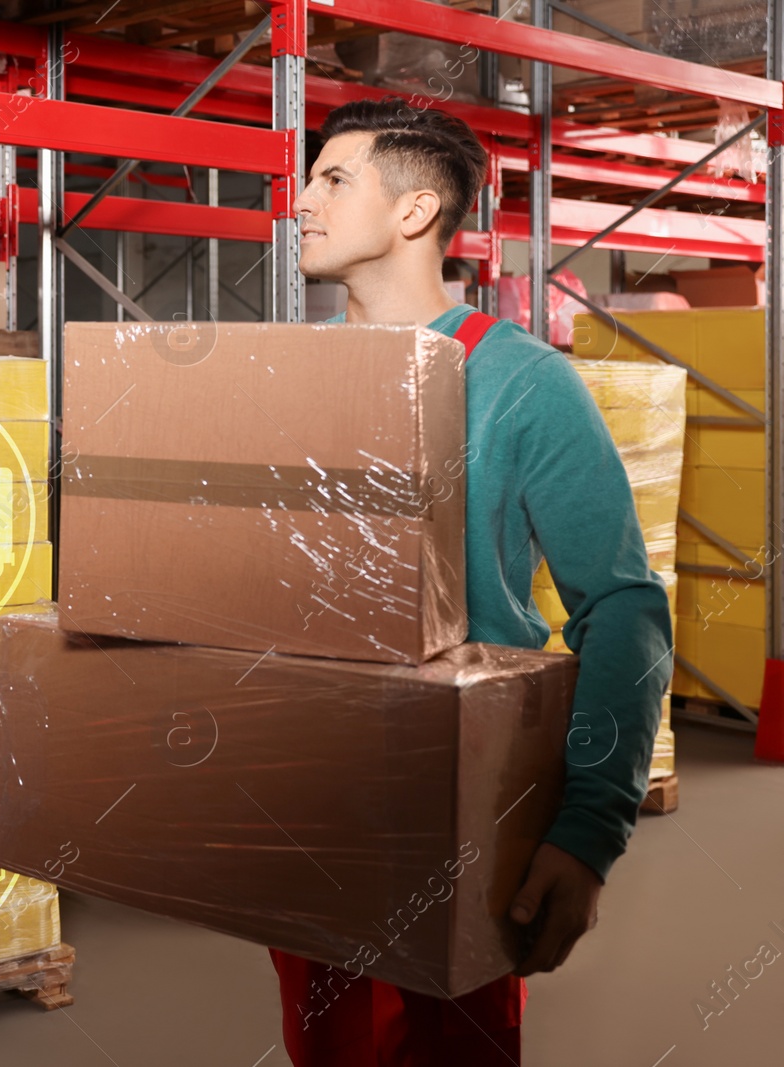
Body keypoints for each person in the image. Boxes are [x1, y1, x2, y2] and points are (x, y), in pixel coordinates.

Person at [274, 98, 674, 1064]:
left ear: (415, 213)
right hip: (309, 798)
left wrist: (587, 830)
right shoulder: (286, 378)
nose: (301, 202)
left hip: (459, 803)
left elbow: (623, 608)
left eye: (333, 179)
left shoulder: (523, 382)